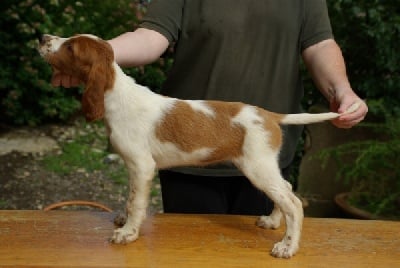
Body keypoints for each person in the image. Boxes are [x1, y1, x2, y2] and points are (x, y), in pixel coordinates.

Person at [51, 0, 368, 216]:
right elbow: (150, 37)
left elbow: (320, 44)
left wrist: (341, 89)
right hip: (184, 147)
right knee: (192, 252)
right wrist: (92, 57)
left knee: (257, 254)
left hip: (261, 142)